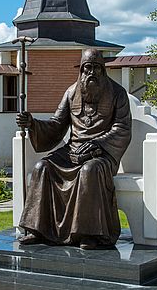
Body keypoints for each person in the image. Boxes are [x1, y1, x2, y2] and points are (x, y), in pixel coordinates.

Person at [16, 48, 132, 249]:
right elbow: (56, 124)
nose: (91, 73)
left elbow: (122, 129)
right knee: (42, 167)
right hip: (72, 151)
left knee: (89, 171)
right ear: (81, 70)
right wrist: (33, 124)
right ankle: (37, 230)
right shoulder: (71, 93)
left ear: (103, 70)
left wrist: (97, 143)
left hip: (102, 154)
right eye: (87, 67)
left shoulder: (117, 94)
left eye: (96, 68)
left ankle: (89, 234)